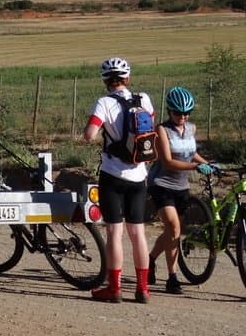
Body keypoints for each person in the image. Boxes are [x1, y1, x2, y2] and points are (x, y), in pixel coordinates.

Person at [83, 56, 155, 303]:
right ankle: (143, 289)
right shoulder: (144, 99)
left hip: (112, 174)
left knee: (115, 232)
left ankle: (114, 289)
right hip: (139, 175)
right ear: (128, 78)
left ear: (105, 80)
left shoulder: (104, 102)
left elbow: (90, 135)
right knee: (138, 233)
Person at [146, 86, 214, 295]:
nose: (182, 117)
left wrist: (209, 164)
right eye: (178, 113)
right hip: (161, 184)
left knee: (172, 232)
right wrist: (195, 167)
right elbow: (167, 161)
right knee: (174, 228)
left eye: (187, 113)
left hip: (182, 186)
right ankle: (172, 277)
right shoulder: (162, 130)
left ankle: (150, 259)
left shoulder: (191, 128)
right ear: (169, 111)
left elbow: (191, 153)